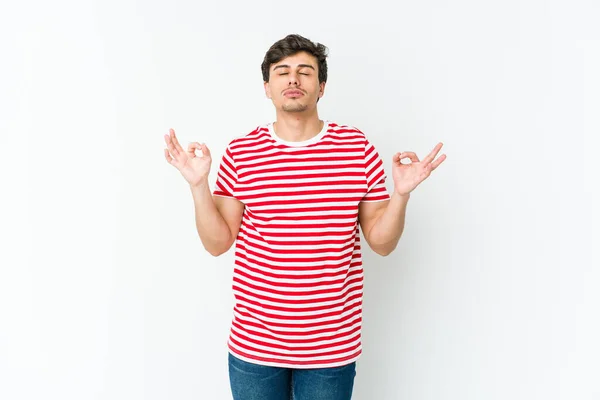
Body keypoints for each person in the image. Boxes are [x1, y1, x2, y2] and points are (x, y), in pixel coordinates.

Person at [164, 33, 446, 400]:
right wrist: (199, 187)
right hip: (255, 346)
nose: (293, 79)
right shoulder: (242, 152)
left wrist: (401, 195)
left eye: (305, 72)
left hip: (331, 348)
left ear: (321, 86)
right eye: (282, 72)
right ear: (267, 87)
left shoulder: (355, 148)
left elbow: (382, 243)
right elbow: (218, 244)